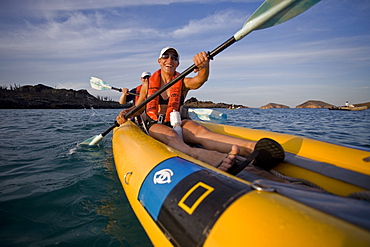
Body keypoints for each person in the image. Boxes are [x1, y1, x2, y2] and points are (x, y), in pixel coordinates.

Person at [116, 47, 284, 173]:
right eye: (166, 56)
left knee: (202, 132)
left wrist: (203, 66)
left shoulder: (182, 82)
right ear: (159, 61)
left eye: (174, 57)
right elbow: (139, 108)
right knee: (172, 137)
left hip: (176, 120)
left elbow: (199, 80)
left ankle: (254, 148)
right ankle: (204, 156)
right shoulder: (147, 84)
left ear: (178, 63)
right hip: (155, 124)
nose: (170, 59)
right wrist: (126, 113)